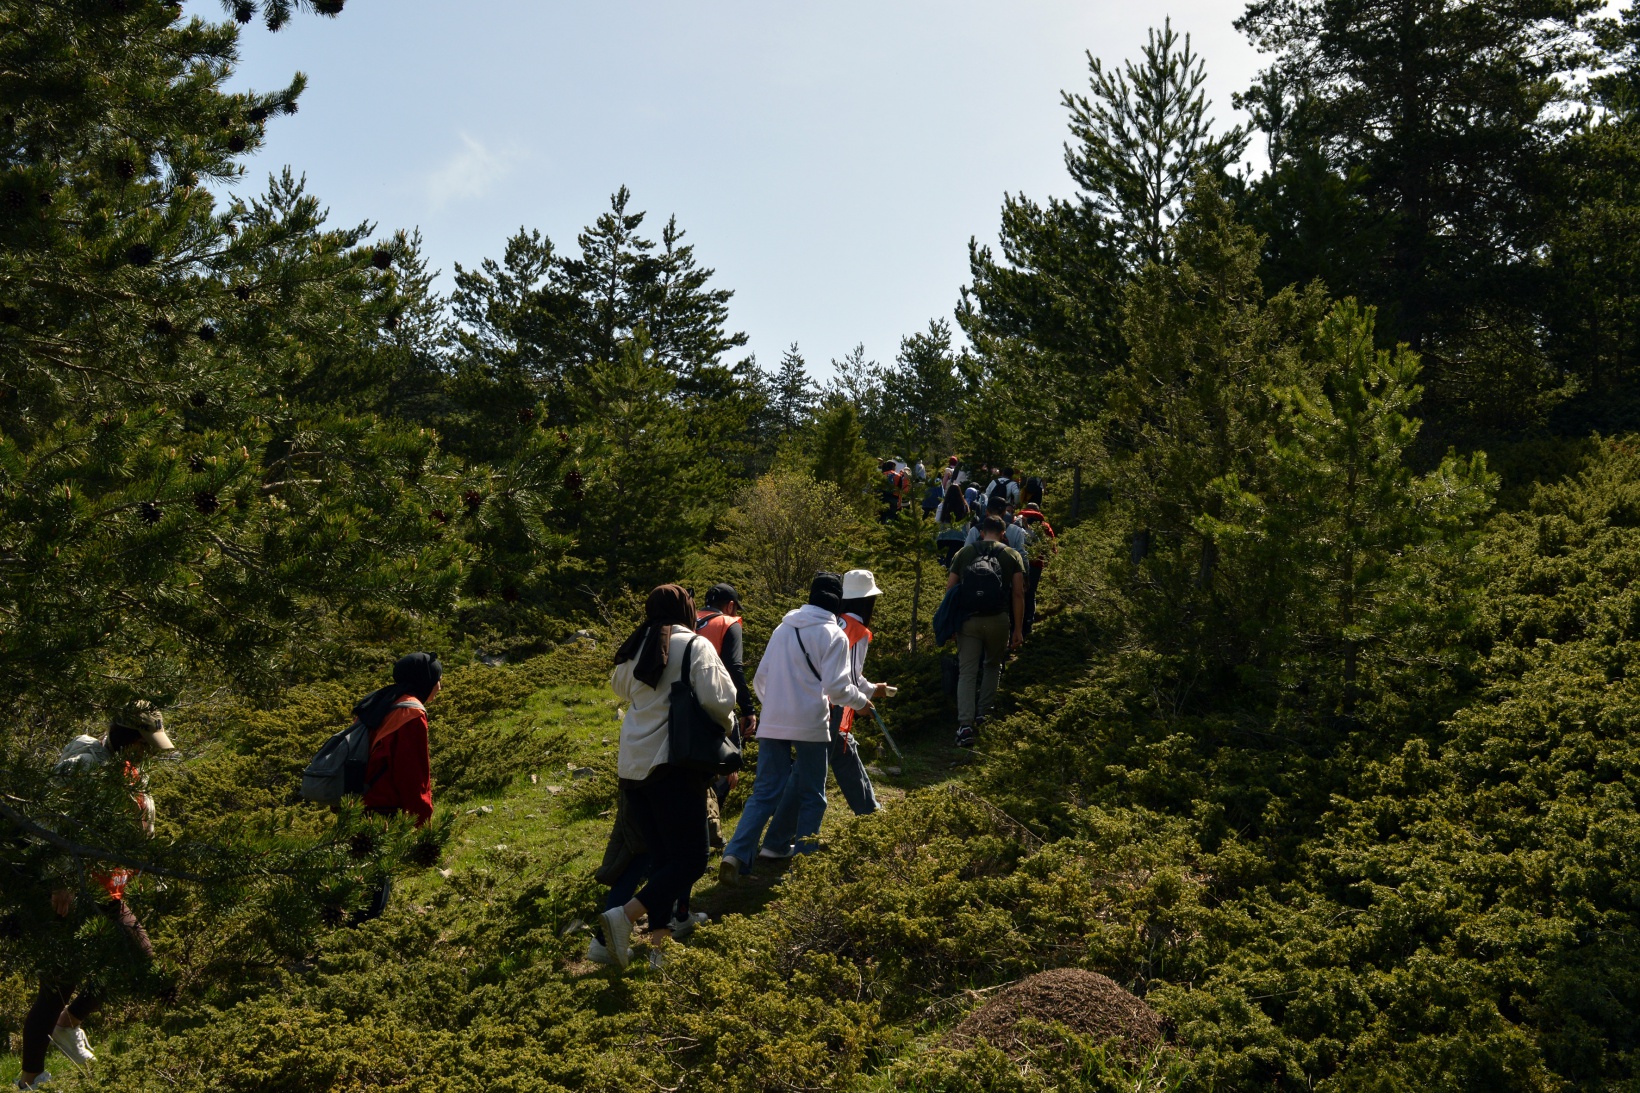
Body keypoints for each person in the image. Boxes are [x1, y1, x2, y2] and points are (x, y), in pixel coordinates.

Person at [18, 702, 175, 1090]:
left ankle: (68, 1025)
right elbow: (48, 823)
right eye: (145, 743)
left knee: (137, 960)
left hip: (108, 889)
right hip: (71, 895)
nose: (150, 751)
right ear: (129, 738)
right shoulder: (84, 767)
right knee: (58, 985)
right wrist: (59, 880)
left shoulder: (127, 766)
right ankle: (29, 1079)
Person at [602, 585, 738, 970]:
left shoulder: (636, 647)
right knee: (693, 860)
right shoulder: (695, 646)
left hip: (633, 767)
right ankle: (623, 917)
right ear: (687, 610)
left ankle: (660, 951)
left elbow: (619, 685)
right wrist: (728, 725)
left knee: (663, 859)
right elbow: (720, 700)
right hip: (674, 766)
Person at [719, 574, 874, 882]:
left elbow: (760, 679)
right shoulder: (835, 635)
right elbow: (837, 689)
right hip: (812, 724)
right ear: (838, 603)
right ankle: (803, 867)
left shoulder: (783, 628)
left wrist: (776, 706)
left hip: (773, 721)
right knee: (813, 795)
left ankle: (735, 854)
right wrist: (861, 702)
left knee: (764, 793)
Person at [767, 570, 885, 834]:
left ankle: (870, 812)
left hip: (807, 702)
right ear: (868, 601)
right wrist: (866, 698)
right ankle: (778, 838)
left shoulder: (834, 621)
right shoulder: (858, 631)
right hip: (831, 709)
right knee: (806, 776)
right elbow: (851, 679)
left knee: (843, 753)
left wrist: (871, 690)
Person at [351, 652, 442, 924]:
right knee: (375, 888)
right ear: (425, 681)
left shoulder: (380, 702)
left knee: (357, 879)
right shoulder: (411, 713)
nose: (440, 686)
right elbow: (412, 776)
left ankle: (346, 935)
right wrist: (422, 822)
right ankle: (363, 938)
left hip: (355, 802)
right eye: (438, 679)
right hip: (384, 808)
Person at [947, 516, 1027, 748]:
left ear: (981, 532)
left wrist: (951, 623)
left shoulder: (964, 553)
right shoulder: (1012, 555)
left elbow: (950, 589)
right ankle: (984, 715)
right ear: (1004, 534)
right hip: (998, 619)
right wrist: (1018, 628)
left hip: (968, 620)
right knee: (992, 665)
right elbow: (1018, 593)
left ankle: (965, 726)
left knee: (967, 672)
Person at [694, 583, 757, 846]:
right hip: (717, 704)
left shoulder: (688, 618)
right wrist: (748, 709)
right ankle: (708, 833)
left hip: (683, 705)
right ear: (730, 605)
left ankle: (701, 833)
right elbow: (734, 668)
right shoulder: (728, 623)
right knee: (726, 769)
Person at [1014, 502, 1057, 638]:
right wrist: (1052, 566)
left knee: (1016, 592)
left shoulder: (1016, 522)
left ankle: (1014, 626)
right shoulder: (1044, 526)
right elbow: (1051, 547)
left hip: (1017, 563)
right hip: (1035, 564)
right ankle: (1028, 626)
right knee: (1030, 593)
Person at [965, 492, 1032, 556]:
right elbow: (1022, 555)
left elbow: (966, 553)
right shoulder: (1016, 531)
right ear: (1004, 512)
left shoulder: (975, 530)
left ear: (986, 512)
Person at [936, 483, 970, 567]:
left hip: (943, 536)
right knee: (953, 560)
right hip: (959, 536)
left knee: (941, 558)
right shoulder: (964, 506)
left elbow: (937, 520)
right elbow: (967, 523)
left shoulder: (943, 505)